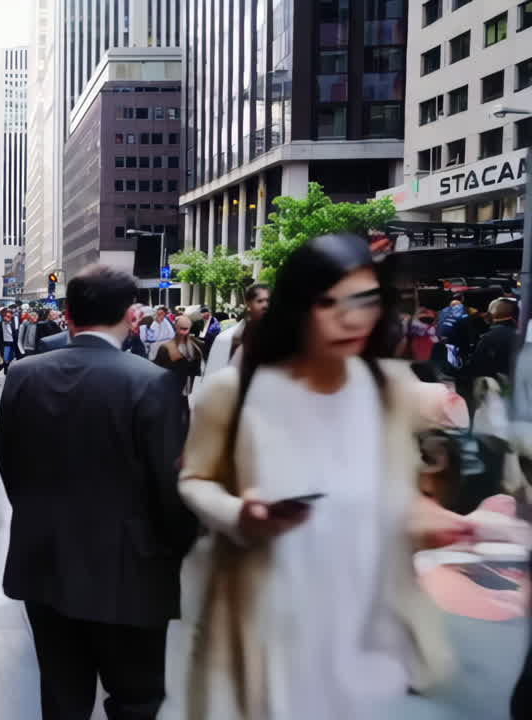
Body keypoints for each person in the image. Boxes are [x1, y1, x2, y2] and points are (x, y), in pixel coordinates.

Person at [177, 234, 467, 720]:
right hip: (269, 614)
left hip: (365, 617)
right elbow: (194, 480)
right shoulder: (235, 391)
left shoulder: (390, 390)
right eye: (327, 303)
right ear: (297, 308)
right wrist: (240, 514)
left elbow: (394, 494)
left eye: (364, 301)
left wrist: (436, 520)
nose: (350, 318)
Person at [0, 264, 196, 720]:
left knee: (63, 700)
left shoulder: (24, 374)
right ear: (131, 316)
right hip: (130, 572)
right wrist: (182, 550)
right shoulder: (153, 383)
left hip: (44, 563)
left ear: (67, 314)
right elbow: (170, 488)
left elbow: (9, 463)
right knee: (135, 700)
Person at [204, 283, 270, 378]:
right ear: (248, 304)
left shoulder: (279, 338)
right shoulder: (225, 339)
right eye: (260, 301)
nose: (265, 305)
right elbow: (213, 377)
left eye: (268, 301)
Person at [153, 314, 204, 408]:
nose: (183, 332)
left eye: (186, 329)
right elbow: (157, 372)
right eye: (181, 329)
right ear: (175, 328)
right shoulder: (166, 348)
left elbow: (197, 371)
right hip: (171, 393)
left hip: (189, 392)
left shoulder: (196, 347)